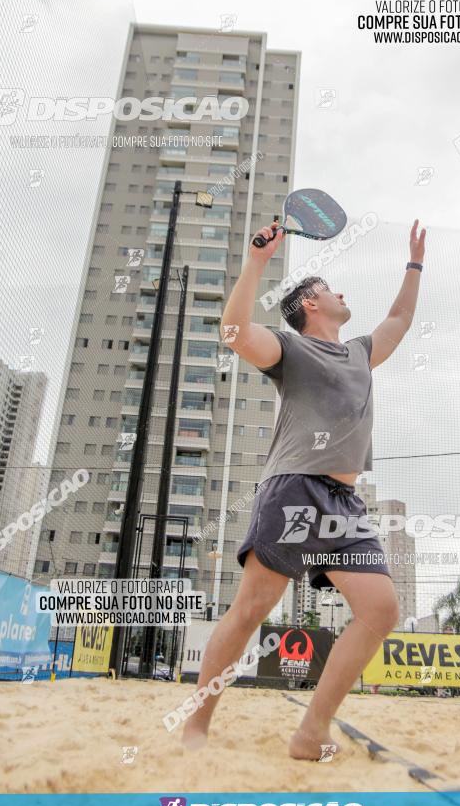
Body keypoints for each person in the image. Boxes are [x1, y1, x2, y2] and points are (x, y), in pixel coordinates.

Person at [182, 217, 426, 759]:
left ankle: (310, 732)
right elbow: (233, 334)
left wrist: (414, 264)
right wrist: (258, 263)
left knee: (381, 609)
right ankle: (195, 727)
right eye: (328, 289)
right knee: (250, 611)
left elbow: (401, 318)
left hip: (343, 504)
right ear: (311, 306)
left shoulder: (360, 351)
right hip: (294, 490)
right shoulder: (291, 350)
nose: (340, 293)